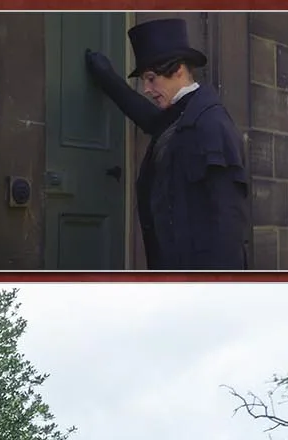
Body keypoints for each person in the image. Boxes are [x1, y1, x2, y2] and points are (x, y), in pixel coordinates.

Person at [83, 18, 248, 270]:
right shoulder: (183, 114)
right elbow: (150, 118)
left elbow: (229, 223)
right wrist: (107, 78)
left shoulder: (212, 125)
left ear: (179, 70)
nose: (147, 89)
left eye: (151, 79)